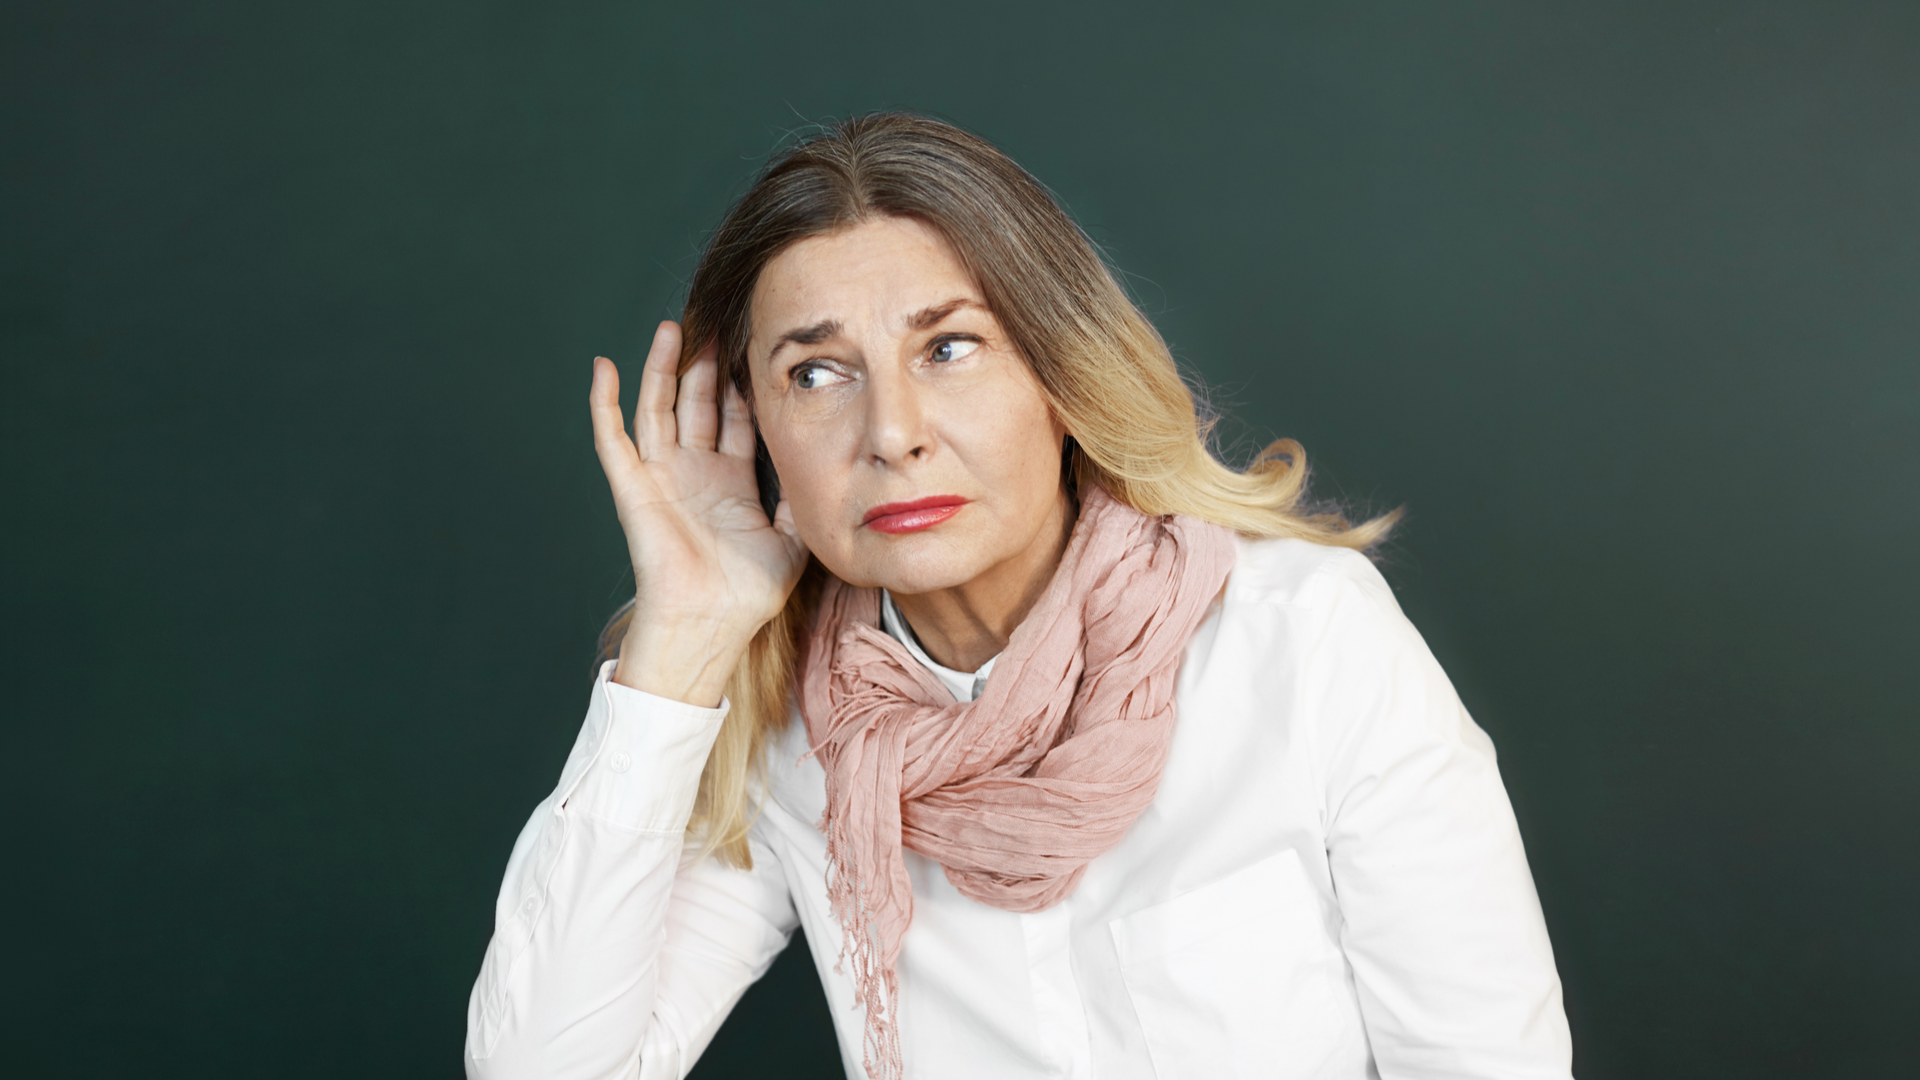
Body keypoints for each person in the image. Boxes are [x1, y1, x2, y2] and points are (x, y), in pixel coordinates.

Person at [463, 113, 1572, 1080]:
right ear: (754, 427)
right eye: (815, 372)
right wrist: (683, 642)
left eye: (949, 348)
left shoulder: (1304, 641)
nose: (891, 433)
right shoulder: (791, 733)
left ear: (1058, 373)